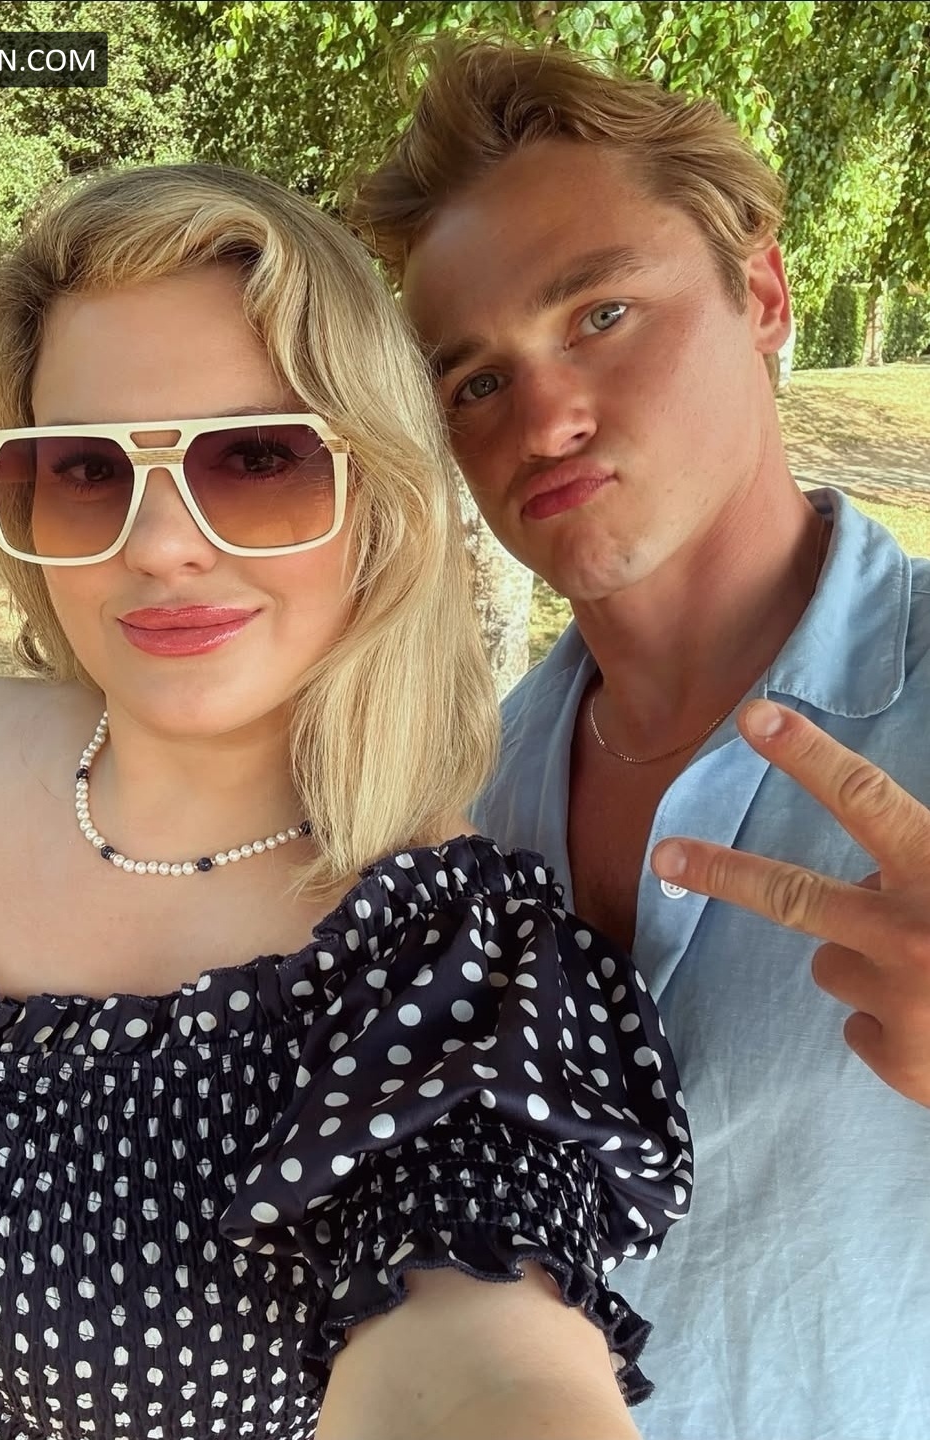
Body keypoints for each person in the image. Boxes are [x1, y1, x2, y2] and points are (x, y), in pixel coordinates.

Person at [0, 163, 692, 1440]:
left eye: (257, 459)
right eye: (86, 469)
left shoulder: (447, 980)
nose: (159, 544)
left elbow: (483, 1367)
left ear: (380, 492)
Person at [350, 37, 930, 1440]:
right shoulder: (460, 802)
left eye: (600, 313)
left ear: (761, 293)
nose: (543, 420)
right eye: (472, 382)